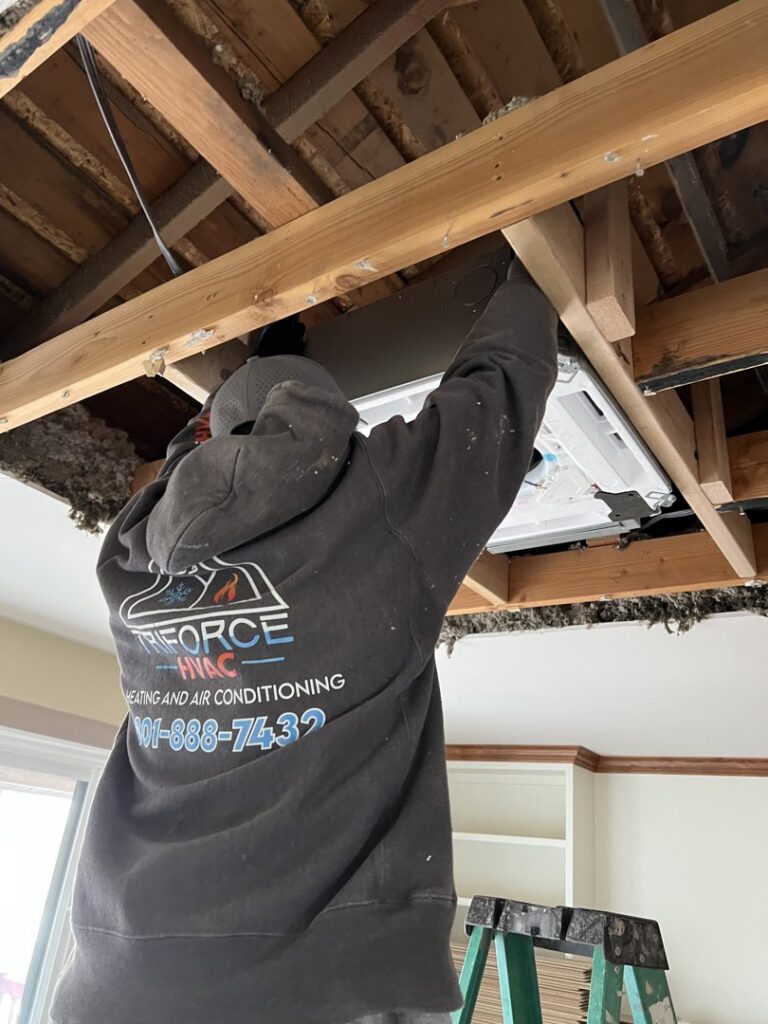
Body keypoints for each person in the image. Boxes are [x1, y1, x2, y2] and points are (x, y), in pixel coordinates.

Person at [50, 256, 557, 1024]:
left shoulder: (132, 558)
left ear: (207, 434)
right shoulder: (376, 503)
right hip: (176, 981)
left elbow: (497, 405)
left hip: (197, 974)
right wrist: (533, 258)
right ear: (329, 416)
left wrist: (528, 291)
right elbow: (493, 391)